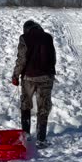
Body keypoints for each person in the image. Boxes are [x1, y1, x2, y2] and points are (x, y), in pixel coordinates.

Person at [12, 20, 56, 148]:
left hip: (28, 78)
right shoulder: (48, 37)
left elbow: (22, 59)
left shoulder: (24, 38)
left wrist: (15, 75)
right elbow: (53, 58)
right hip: (46, 78)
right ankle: (41, 139)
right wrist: (50, 72)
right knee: (43, 107)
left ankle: (26, 137)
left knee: (26, 105)